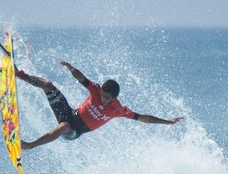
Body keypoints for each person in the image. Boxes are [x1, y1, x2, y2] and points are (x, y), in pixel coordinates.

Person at [16, 61, 183, 150]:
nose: (102, 99)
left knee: (64, 127)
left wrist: (167, 122)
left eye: (106, 98)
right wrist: (70, 67)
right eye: (102, 95)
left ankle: (30, 146)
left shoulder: (118, 109)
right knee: (49, 86)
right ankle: (19, 74)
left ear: (114, 98)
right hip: (69, 113)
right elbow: (81, 78)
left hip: (75, 131)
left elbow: (144, 118)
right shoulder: (96, 90)